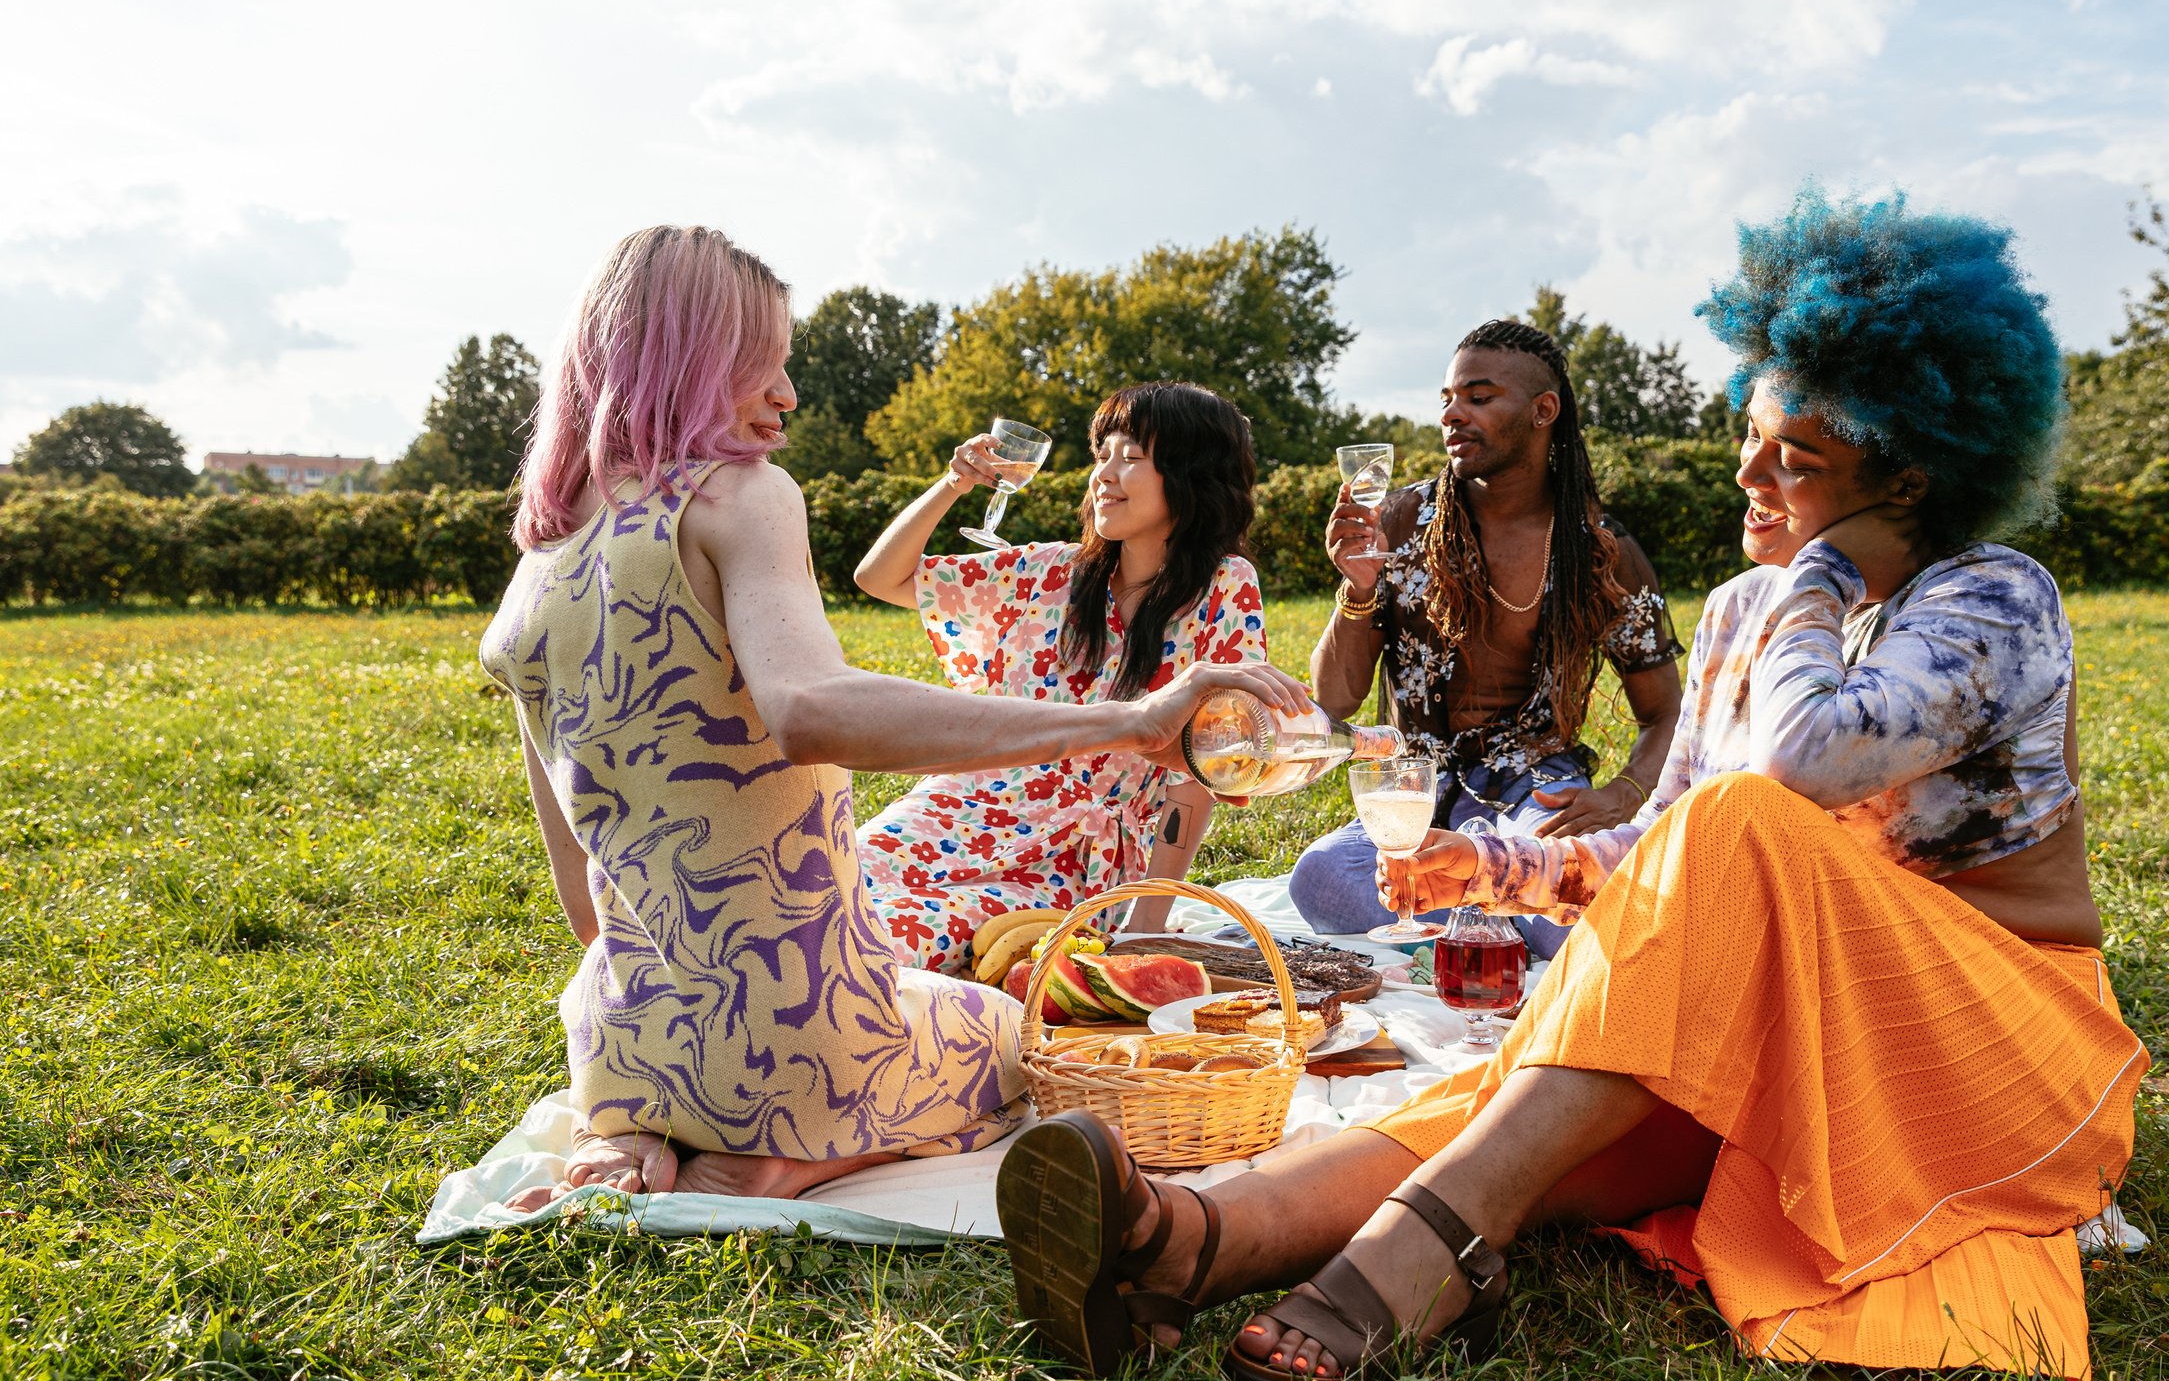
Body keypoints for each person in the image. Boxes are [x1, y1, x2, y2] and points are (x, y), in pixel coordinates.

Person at [994, 190, 2148, 1381]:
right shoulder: (1748, 611)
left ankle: (1429, 1245)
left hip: (1984, 1046)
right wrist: (1489, 868)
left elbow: (1795, 767)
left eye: (1794, 456)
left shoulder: (1991, 599)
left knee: (1731, 831)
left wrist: (1821, 569)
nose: (1746, 469)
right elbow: (1665, 846)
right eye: (1752, 433)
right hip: (1803, 1033)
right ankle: (1191, 1243)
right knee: (1512, 1099)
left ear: (1908, 477)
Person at [479, 226, 1306, 1210]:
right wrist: (1128, 723)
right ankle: (790, 1159)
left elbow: (586, 913)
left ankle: (644, 1136)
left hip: (616, 1048)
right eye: (763, 364)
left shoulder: (537, 574)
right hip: (800, 1058)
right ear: (687, 362)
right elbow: (811, 710)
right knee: (1030, 1038)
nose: (789, 394)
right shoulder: (746, 497)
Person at [1291, 320, 1682, 958]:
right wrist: (1358, 587)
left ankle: (1465, 912)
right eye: (1447, 399)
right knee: (1321, 878)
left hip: (1536, 791)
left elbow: (1666, 712)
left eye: (1478, 397)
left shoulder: (1599, 549)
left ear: (1542, 411)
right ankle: (1492, 918)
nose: (1453, 415)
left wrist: (1624, 792)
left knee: (1575, 911)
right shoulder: (1400, 521)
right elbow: (1333, 699)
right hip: (1419, 794)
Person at [849, 382, 1269, 972]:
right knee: (824, 896)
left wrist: (1146, 919)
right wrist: (955, 483)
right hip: (964, 806)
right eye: (1102, 456)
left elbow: (1201, 771)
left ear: (1191, 474)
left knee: (890, 944)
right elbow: (881, 578)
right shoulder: (1048, 573)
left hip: (1074, 856)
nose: (1105, 473)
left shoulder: (1224, 587)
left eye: (1133, 457)